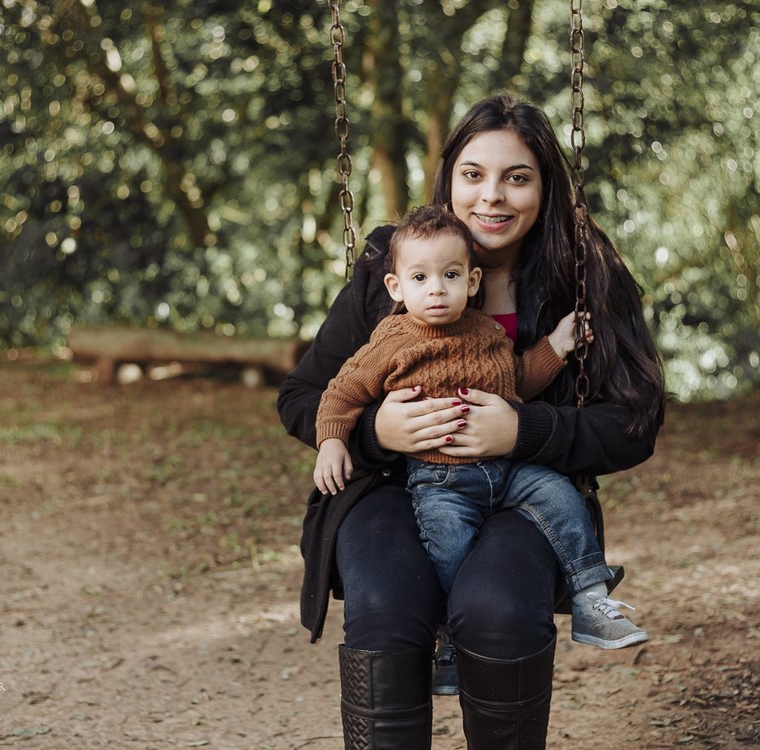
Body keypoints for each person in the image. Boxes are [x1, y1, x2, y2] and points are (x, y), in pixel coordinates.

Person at [278, 93, 665, 749]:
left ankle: (594, 603)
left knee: (499, 607)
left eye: (517, 177)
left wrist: (523, 431)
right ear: (448, 178)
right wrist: (377, 434)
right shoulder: (392, 263)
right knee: (385, 603)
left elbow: (632, 420)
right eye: (473, 174)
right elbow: (306, 394)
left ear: (545, 186)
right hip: (394, 488)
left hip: (521, 487)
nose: (493, 197)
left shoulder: (583, 270)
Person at [312, 204, 648, 652]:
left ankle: (590, 597)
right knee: (449, 550)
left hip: (509, 467)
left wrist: (557, 345)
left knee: (560, 497)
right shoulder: (391, 341)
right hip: (440, 482)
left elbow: (519, 379)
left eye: (450, 275)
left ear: (472, 282)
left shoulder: (487, 332)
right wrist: (334, 440)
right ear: (396, 286)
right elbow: (341, 392)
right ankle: (450, 637)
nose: (436, 290)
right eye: (420, 279)